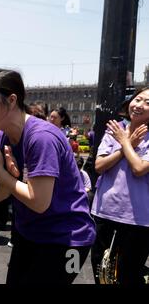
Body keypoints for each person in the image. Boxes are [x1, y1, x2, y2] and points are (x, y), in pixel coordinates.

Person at [0, 69, 95, 285]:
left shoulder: (41, 138)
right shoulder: (0, 138)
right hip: (31, 234)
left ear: (11, 100)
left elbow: (39, 202)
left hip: (69, 241)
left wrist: (2, 173)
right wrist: (7, 175)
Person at [90, 87, 149, 285]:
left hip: (138, 219)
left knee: (128, 276)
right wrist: (126, 145)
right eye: (138, 99)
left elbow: (139, 168)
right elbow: (99, 165)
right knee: (102, 272)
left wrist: (124, 142)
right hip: (105, 211)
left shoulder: (121, 135)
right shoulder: (114, 130)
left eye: (147, 103)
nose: (139, 105)